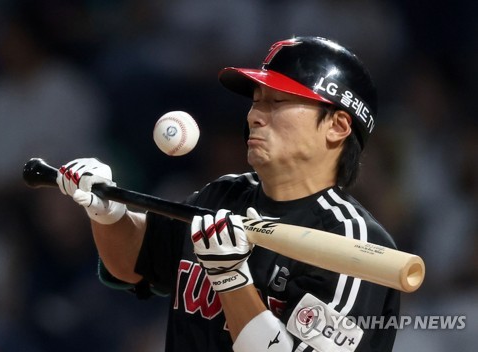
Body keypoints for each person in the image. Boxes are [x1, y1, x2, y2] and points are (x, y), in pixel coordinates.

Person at [55, 36, 400, 352]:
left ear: (337, 126)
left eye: (277, 102)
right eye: (256, 101)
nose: (254, 116)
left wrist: (230, 278)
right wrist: (108, 213)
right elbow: (133, 264)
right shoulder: (221, 195)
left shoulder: (356, 245)